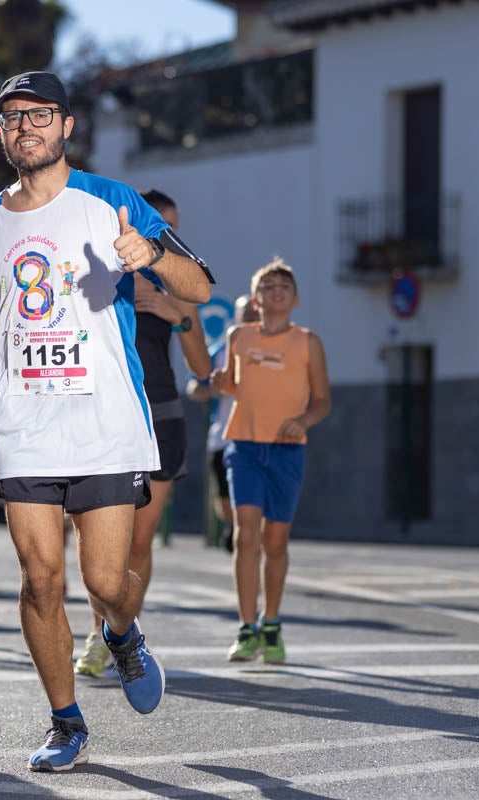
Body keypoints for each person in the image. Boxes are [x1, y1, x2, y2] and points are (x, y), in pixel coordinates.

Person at [0, 71, 213, 772]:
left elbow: (200, 287)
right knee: (39, 578)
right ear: (1, 135)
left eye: (39, 116)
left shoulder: (112, 201)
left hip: (105, 419)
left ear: (66, 126)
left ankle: (122, 631)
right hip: (23, 419)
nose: (24, 128)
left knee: (104, 580)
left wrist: (151, 256)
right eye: (11, 119)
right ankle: (66, 722)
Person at [73, 189, 211, 677]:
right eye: (158, 226)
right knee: (99, 541)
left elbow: (204, 368)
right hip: (107, 412)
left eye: (172, 228)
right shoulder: (106, 266)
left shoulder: (180, 282)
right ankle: (97, 632)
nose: (165, 237)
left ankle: (121, 631)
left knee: (138, 542)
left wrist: (178, 317)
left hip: (162, 413)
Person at [210, 259, 330, 664]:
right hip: (243, 445)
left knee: (275, 541)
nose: (276, 290)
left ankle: (272, 623)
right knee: (246, 535)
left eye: (284, 286)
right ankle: (247, 629)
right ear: (256, 299)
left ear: (294, 299)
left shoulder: (307, 342)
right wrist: (219, 382)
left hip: (286, 450)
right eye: (268, 286)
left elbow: (322, 400)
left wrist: (303, 421)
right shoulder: (238, 336)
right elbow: (229, 381)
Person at [186, 293, 259, 552]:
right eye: (245, 313)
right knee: (225, 501)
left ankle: (249, 534)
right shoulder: (219, 352)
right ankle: (234, 526)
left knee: (254, 500)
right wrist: (213, 390)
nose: (251, 317)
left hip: (260, 437)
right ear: (236, 316)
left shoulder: (275, 348)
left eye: (255, 312)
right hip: (224, 436)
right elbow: (195, 387)